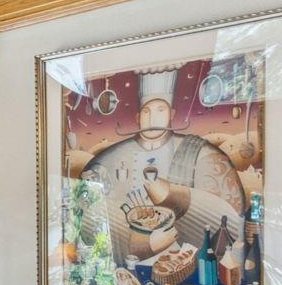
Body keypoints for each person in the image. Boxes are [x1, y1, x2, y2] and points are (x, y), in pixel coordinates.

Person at [78, 67, 248, 266]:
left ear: (171, 115)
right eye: (146, 112)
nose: (152, 119)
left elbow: (231, 224)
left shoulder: (200, 153)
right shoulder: (110, 157)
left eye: (161, 110)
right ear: (137, 117)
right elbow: (88, 221)